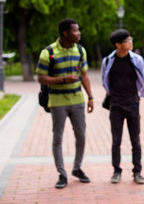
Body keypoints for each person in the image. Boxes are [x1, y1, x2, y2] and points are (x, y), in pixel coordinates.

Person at [36, 18, 94, 189]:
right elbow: (40, 77)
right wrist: (63, 79)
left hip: (77, 100)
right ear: (65, 33)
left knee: (81, 136)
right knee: (58, 138)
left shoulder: (80, 51)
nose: (79, 33)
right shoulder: (48, 52)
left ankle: (77, 168)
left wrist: (90, 97)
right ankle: (62, 174)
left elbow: (84, 75)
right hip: (57, 101)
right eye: (75, 30)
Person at [101, 29, 144, 184]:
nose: (130, 42)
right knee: (116, 140)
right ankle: (116, 171)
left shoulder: (137, 59)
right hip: (116, 105)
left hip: (133, 103)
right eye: (127, 40)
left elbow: (141, 78)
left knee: (135, 140)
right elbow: (104, 80)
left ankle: (137, 172)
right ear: (118, 45)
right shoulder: (108, 61)